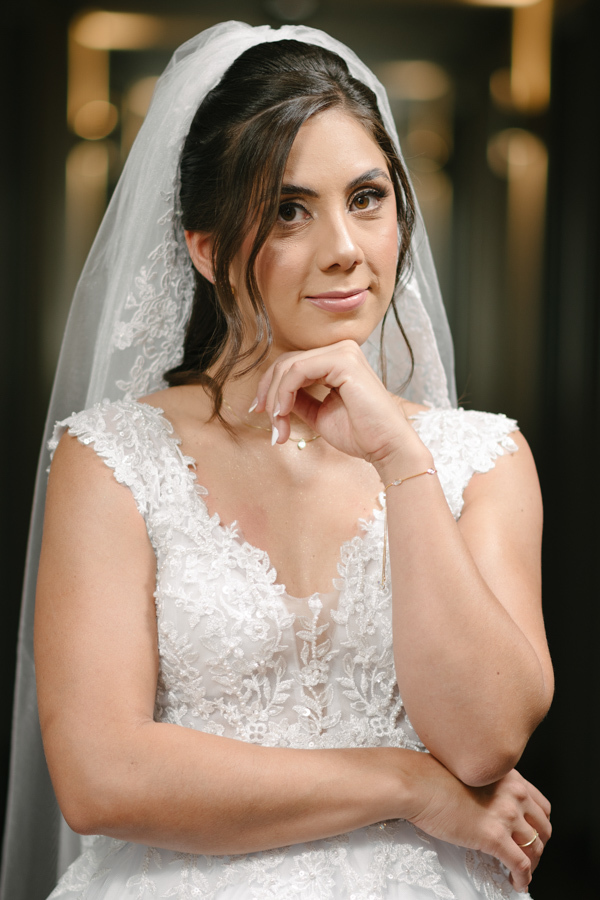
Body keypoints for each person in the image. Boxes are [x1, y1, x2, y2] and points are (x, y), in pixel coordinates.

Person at [1, 21, 553, 900]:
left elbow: (485, 741)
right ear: (208, 249)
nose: (345, 246)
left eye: (367, 197)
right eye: (291, 209)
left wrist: (399, 459)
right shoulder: (112, 459)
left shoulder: (478, 458)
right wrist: (410, 787)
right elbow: (101, 777)